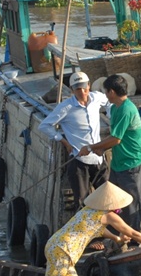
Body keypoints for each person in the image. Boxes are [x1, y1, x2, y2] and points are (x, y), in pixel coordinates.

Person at [78, 74, 141, 233]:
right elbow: (114, 137)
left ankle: (134, 240)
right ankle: (117, 236)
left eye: (105, 91)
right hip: (118, 164)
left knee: (130, 204)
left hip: (132, 164)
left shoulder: (126, 109)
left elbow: (116, 139)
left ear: (112, 92)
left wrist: (90, 147)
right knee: (114, 203)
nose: (104, 95)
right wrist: (102, 148)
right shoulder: (115, 108)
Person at [39, 72, 110, 209]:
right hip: (79, 161)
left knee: (107, 198)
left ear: (89, 86)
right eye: (78, 89)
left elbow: (109, 103)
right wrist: (63, 141)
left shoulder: (97, 98)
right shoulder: (66, 107)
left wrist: (112, 116)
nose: (82, 92)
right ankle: (84, 229)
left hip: (98, 159)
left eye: (84, 87)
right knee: (82, 202)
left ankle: (111, 229)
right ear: (72, 90)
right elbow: (45, 125)